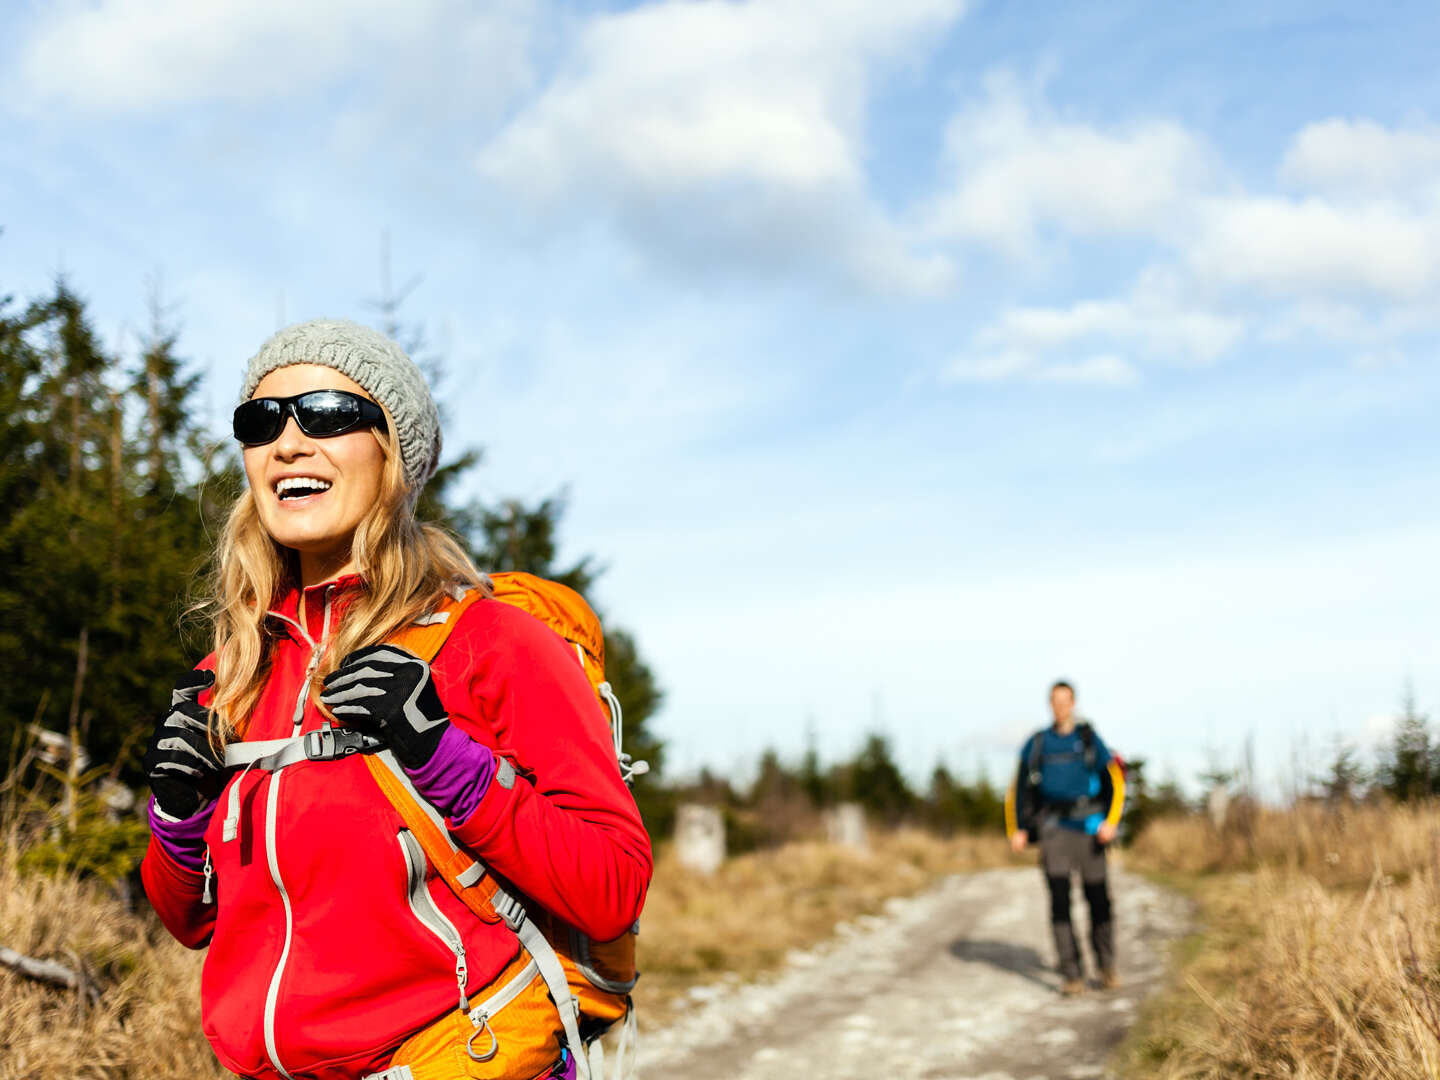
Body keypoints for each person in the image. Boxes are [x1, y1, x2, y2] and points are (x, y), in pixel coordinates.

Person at [140, 319, 652, 1080]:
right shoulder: (233, 672)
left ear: (397, 456)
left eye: (328, 414)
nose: (287, 443)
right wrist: (177, 821)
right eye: (261, 421)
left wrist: (449, 761)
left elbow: (611, 887)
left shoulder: (491, 643)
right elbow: (192, 923)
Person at [1005, 680, 1124, 996]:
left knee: (1098, 900)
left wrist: (1111, 822)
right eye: (1055, 700)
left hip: (1090, 830)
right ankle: (1072, 974)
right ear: (1050, 704)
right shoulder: (1038, 743)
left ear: (1073, 703)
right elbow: (1017, 787)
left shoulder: (1088, 739)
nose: (1060, 706)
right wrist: (1017, 828)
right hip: (1053, 830)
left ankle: (1106, 966)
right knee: (1060, 903)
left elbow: (1115, 781)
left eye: (1065, 700)